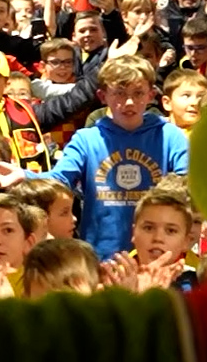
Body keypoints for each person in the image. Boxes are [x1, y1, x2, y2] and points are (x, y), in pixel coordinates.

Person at [41, 54, 189, 259]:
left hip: (158, 254)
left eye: (138, 93)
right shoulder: (87, 139)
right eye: (119, 93)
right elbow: (59, 179)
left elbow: (187, 182)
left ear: (151, 95)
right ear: (103, 97)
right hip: (100, 255)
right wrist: (21, 175)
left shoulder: (170, 135)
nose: (129, 102)